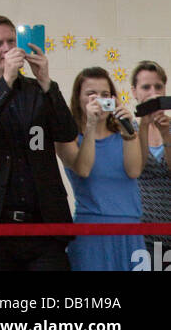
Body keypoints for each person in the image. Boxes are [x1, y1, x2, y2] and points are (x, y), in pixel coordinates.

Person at [0, 14, 78, 271]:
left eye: (12, 41)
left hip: (44, 223)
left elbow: (66, 132)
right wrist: (6, 81)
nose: (7, 49)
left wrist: (45, 80)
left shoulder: (38, 89)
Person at [56, 67, 144, 271]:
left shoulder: (127, 132)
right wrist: (91, 126)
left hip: (130, 230)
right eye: (91, 94)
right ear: (78, 99)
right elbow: (83, 169)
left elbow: (134, 171)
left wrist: (129, 132)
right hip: (92, 233)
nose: (99, 100)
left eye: (105, 95)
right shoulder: (68, 137)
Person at [131, 60, 171, 268]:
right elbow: (135, 169)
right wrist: (144, 126)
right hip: (140, 233)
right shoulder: (127, 131)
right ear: (134, 92)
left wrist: (166, 135)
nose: (152, 92)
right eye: (146, 87)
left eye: (158, 86)